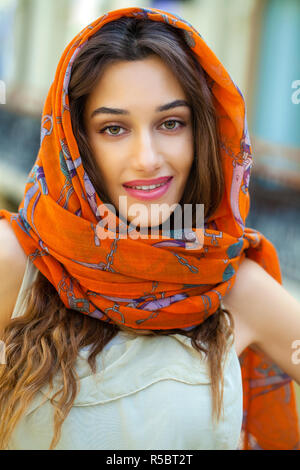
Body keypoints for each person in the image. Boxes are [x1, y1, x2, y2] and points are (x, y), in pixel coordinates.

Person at [0, 6, 299, 451]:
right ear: (76, 142)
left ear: (204, 133)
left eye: (171, 123)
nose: (147, 158)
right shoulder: (15, 262)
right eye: (114, 128)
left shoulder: (234, 285)